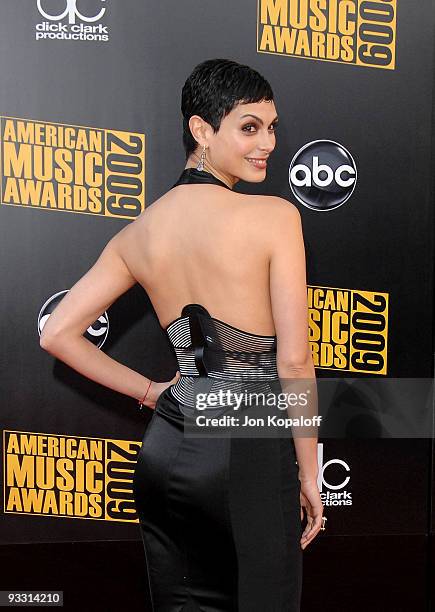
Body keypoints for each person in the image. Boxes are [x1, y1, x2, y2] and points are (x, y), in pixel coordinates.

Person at [40, 58, 324, 611]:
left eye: (271, 127)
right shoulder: (275, 217)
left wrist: (151, 393)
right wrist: (309, 474)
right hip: (249, 450)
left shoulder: (141, 231)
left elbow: (57, 333)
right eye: (248, 127)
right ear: (201, 130)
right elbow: (293, 362)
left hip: (168, 451)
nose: (266, 142)